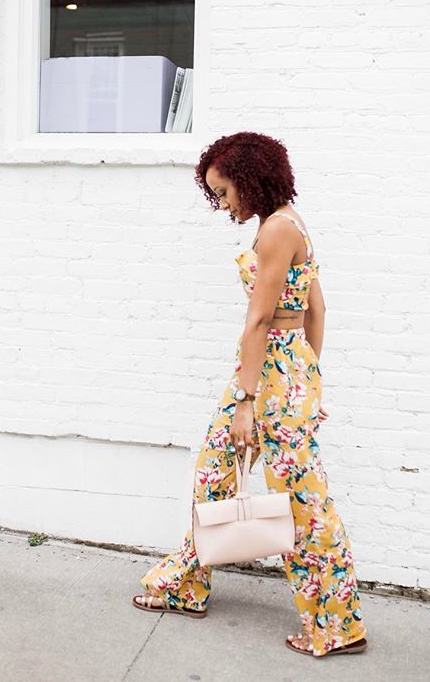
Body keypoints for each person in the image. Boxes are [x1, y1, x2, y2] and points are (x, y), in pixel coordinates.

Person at [131, 132, 368, 658]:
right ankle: (185, 585)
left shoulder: (276, 231)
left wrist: (248, 400)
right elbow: (316, 310)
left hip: (267, 379)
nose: (221, 204)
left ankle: (336, 626)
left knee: (301, 500)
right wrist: (308, 377)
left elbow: (261, 318)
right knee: (216, 472)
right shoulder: (286, 222)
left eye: (223, 192)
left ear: (248, 179)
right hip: (281, 373)